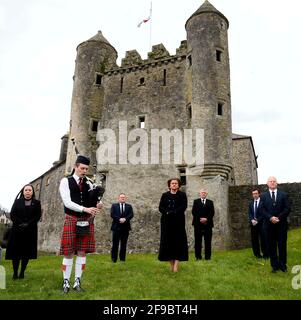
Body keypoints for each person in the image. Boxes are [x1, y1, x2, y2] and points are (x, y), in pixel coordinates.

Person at [59, 155, 103, 293]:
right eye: (82, 168)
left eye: (86, 169)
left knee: (82, 252)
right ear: (75, 167)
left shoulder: (89, 182)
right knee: (68, 252)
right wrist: (85, 209)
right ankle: (65, 282)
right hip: (72, 218)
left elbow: (92, 200)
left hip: (86, 220)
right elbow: (67, 202)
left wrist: (98, 204)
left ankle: (77, 281)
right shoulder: (65, 181)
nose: (84, 171)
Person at [5, 184, 41, 279]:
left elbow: (37, 216)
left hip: (30, 231)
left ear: (32, 192)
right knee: (16, 253)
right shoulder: (17, 202)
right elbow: (12, 214)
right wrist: (20, 223)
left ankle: (22, 273)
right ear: (23, 191)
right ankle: (15, 273)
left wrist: (28, 224)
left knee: (26, 253)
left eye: (30, 190)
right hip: (17, 230)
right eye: (26, 190)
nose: (28, 191)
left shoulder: (37, 203)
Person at [158, 178, 188, 272]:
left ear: (178, 185)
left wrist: (174, 212)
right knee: (168, 243)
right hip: (166, 222)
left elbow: (183, 206)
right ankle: (171, 265)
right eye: (172, 183)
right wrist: (167, 212)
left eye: (176, 183)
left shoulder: (182, 195)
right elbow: (161, 207)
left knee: (178, 242)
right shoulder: (164, 195)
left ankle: (176, 266)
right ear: (169, 185)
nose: (174, 185)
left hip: (178, 222)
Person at [261, 177, 290, 273]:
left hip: (281, 224)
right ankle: (274, 266)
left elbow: (287, 208)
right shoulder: (263, 196)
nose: (272, 183)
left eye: (274, 181)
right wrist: (270, 217)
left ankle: (283, 265)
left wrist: (279, 217)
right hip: (268, 225)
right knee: (271, 245)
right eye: (270, 181)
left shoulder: (283, 195)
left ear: (277, 183)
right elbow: (262, 209)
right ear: (267, 183)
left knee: (282, 245)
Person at [192, 188, 215, 260]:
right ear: (200, 194)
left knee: (208, 241)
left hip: (208, 224)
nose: (203, 194)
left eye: (205, 193)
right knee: (198, 241)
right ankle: (198, 257)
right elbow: (194, 212)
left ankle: (208, 257)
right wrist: (200, 219)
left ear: (206, 194)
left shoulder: (210, 202)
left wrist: (206, 219)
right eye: (202, 193)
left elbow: (212, 212)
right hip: (198, 224)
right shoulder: (196, 202)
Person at [110, 193, 134, 263]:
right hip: (116, 227)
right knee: (115, 244)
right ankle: (114, 259)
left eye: (124, 197)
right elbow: (112, 214)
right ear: (119, 198)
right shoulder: (114, 206)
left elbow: (131, 214)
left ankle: (122, 259)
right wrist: (119, 219)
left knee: (124, 244)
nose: (122, 198)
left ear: (125, 198)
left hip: (125, 228)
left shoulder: (129, 206)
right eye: (121, 197)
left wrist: (125, 219)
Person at [248, 189, 269, 259]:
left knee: (263, 239)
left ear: (259, 194)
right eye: (253, 194)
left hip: (262, 224)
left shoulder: (263, 203)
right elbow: (250, 213)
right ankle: (257, 255)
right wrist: (252, 220)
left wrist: (257, 220)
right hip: (253, 224)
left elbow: (264, 213)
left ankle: (265, 254)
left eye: (256, 193)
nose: (255, 195)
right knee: (254, 240)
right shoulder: (251, 203)